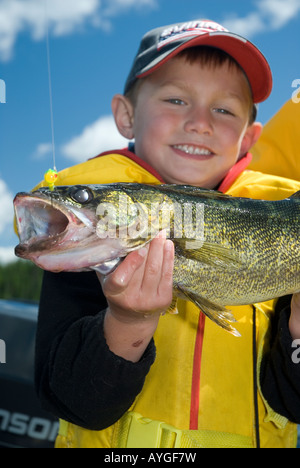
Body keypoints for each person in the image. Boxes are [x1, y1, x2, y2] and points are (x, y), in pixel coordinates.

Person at [34, 19, 300, 448]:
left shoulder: (282, 217)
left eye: (224, 109)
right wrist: (127, 321)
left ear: (250, 138)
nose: (199, 122)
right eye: (176, 99)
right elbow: (73, 401)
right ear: (126, 115)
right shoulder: (88, 249)